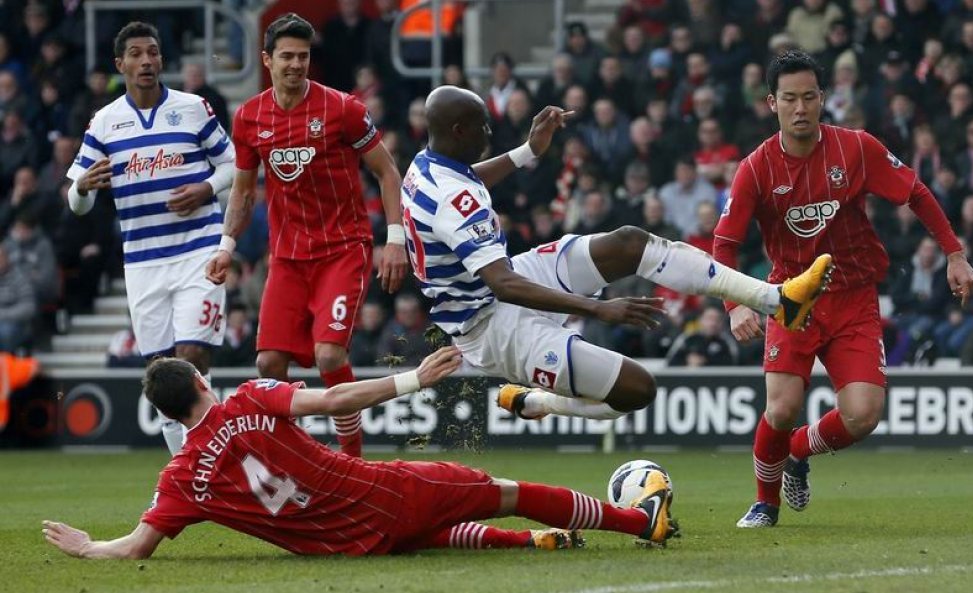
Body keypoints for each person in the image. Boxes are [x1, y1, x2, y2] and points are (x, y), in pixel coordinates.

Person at [401, 85, 833, 424]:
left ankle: (779, 300)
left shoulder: (426, 166)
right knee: (637, 390)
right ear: (458, 131)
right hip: (491, 325)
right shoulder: (454, 200)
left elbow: (469, 181)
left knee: (629, 242)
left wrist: (529, 151)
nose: (489, 133)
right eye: (482, 127)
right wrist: (597, 309)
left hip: (510, 278)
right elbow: (503, 284)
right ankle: (542, 403)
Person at [41, 347, 680, 557]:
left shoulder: (181, 477)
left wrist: (89, 547)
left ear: (167, 414)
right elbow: (332, 401)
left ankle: (531, 545)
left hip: (344, 544)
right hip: (382, 493)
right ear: (202, 382)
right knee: (504, 490)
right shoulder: (251, 397)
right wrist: (414, 381)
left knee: (429, 532)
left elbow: (135, 547)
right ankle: (637, 521)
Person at [712, 50, 973, 528]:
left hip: (854, 295)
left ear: (824, 98)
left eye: (809, 97)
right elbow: (724, 243)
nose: (800, 108)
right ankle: (764, 503)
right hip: (792, 298)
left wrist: (954, 254)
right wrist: (734, 305)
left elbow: (916, 192)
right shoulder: (756, 168)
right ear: (772, 103)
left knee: (863, 414)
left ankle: (796, 452)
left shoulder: (855, 148)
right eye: (790, 99)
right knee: (782, 406)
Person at [205, 14, 408, 459]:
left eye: (303, 56)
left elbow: (387, 172)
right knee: (268, 364)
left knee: (330, 356)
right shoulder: (249, 117)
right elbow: (241, 191)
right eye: (287, 56)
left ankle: (351, 455)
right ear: (267, 60)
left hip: (343, 248)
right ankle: (292, 458)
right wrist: (226, 247)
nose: (296, 64)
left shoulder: (342, 109)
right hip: (289, 256)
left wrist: (394, 239)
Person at [65, 22, 236, 455]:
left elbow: (235, 166)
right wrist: (83, 187)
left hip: (199, 250)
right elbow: (75, 202)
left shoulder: (194, 107)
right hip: (142, 262)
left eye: (153, 52)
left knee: (192, 357)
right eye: (137, 54)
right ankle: (189, 472)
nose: (146, 61)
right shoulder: (104, 123)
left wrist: (206, 188)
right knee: (161, 374)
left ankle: (210, 463)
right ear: (120, 63)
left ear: (162, 59)